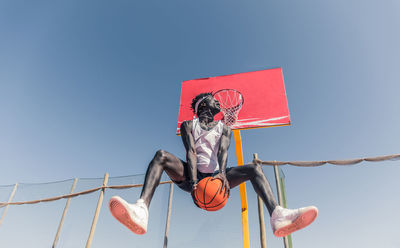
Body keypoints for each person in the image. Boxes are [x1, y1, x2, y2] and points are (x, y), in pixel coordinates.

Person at [109, 92, 318, 237]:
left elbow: (223, 152)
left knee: (254, 169)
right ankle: (141, 210)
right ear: (203, 105)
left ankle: (277, 215)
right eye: (214, 100)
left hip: (217, 176)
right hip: (192, 175)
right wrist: (192, 181)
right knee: (161, 155)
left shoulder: (224, 128)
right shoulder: (188, 125)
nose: (218, 102)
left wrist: (223, 176)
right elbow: (190, 152)